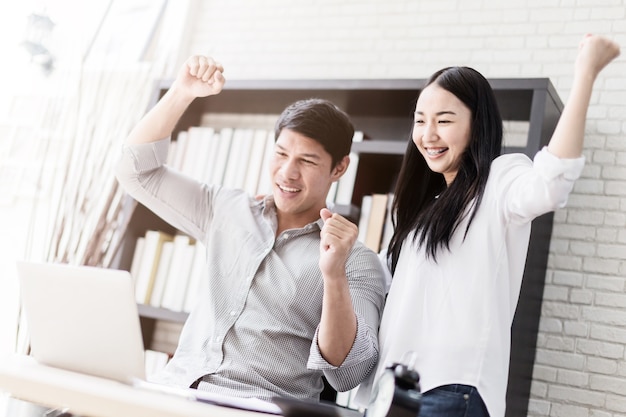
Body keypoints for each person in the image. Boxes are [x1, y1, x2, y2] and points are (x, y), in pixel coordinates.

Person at [355, 34, 620, 417]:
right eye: (420, 120)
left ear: (476, 126)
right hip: (393, 394)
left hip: (450, 389)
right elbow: (376, 286)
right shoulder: (420, 212)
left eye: (444, 120)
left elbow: (551, 182)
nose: (428, 134)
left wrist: (585, 74)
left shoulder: (500, 179)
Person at [114, 55, 386, 401]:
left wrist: (333, 276)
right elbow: (135, 172)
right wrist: (182, 93)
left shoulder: (357, 261)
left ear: (339, 168)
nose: (287, 172)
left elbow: (349, 372)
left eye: (306, 161)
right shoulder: (226, 209)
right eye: (281, 154)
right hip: (174, 393)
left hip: (256, 407)